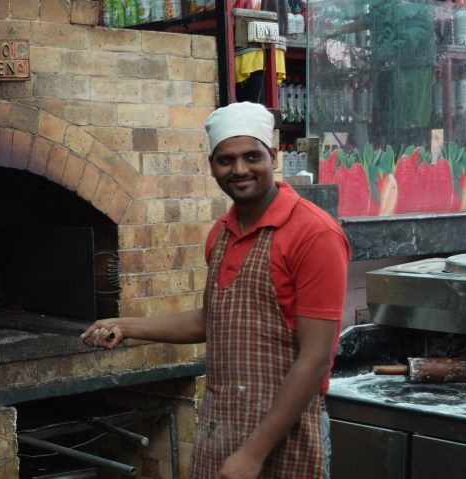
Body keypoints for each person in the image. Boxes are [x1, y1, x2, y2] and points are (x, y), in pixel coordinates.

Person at [81, 102, 351, 479]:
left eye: (252, 156)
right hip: (222, 426)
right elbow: (214, 320)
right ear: (211, 165)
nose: (239, 169)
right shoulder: (221, 234)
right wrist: (126, 325)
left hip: (285, 431)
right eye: (226, 160)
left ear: (273, 157)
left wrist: (253, 454)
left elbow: (315, 358)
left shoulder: (314, 233)